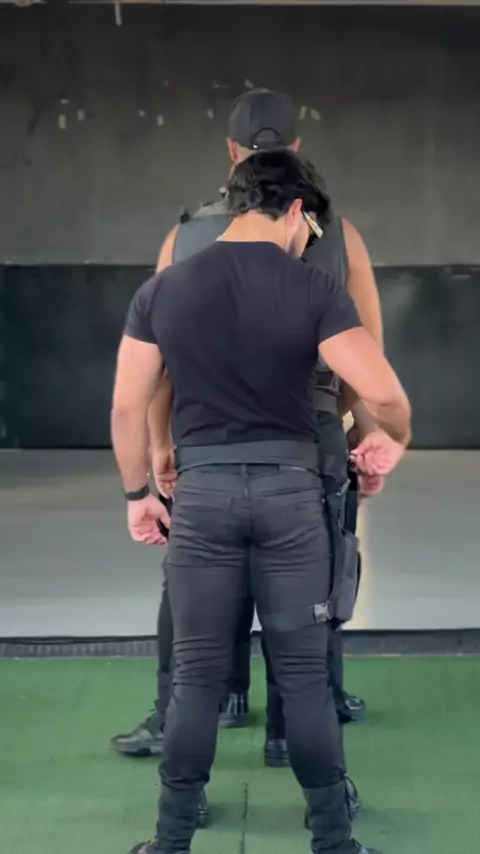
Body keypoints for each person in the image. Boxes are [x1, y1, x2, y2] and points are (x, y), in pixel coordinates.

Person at [111, 148, 411, 854]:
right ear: (297, 211)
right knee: (305, 681)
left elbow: (127, 408)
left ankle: (171, 841)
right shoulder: (314, 289)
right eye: (311, 229)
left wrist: (138, 494)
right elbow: (385, 394)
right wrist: (392, 438)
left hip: (202, 498)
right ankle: (334, 841)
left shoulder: (164, 290)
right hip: (290, 500)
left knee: (194, 679)